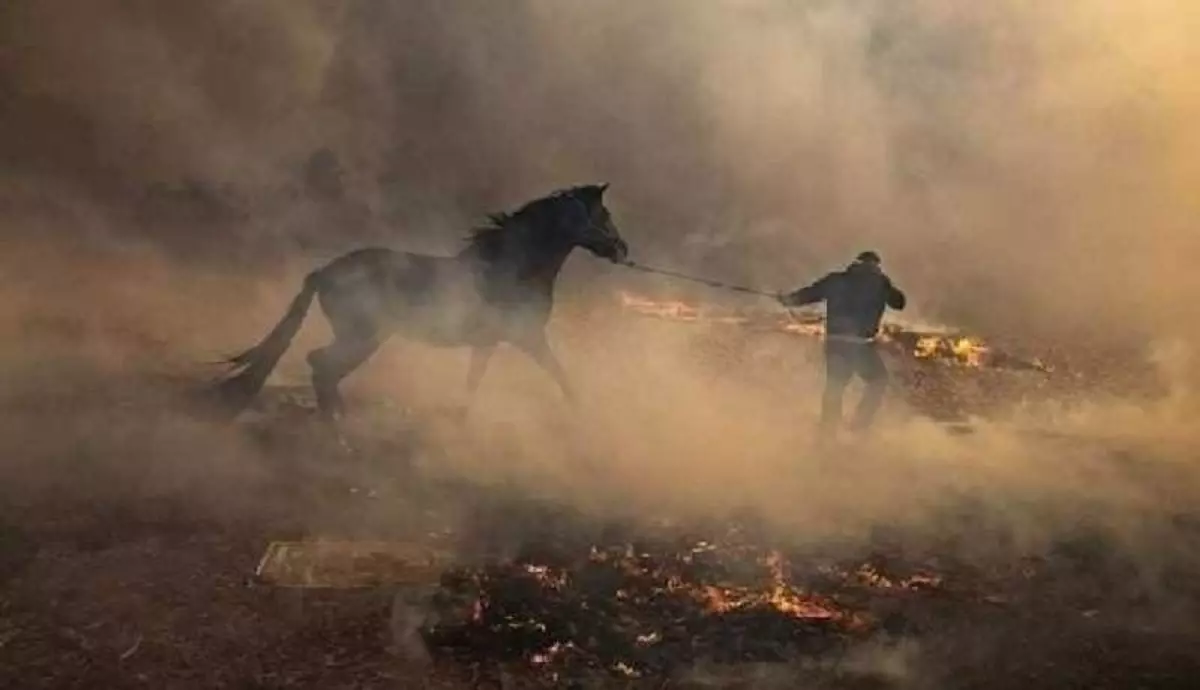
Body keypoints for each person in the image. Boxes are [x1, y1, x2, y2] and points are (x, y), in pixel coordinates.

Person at [778, 251, 906, 436]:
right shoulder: (880, 283)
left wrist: (786, 300)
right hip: (861, 345)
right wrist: (885, 284)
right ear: (876, 266)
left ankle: (827, 433)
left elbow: (807, 295)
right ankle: (860, 423)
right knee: (878, 380)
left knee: (835, 387)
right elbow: (900, 303)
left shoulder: (836, 280)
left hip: (836, 343)